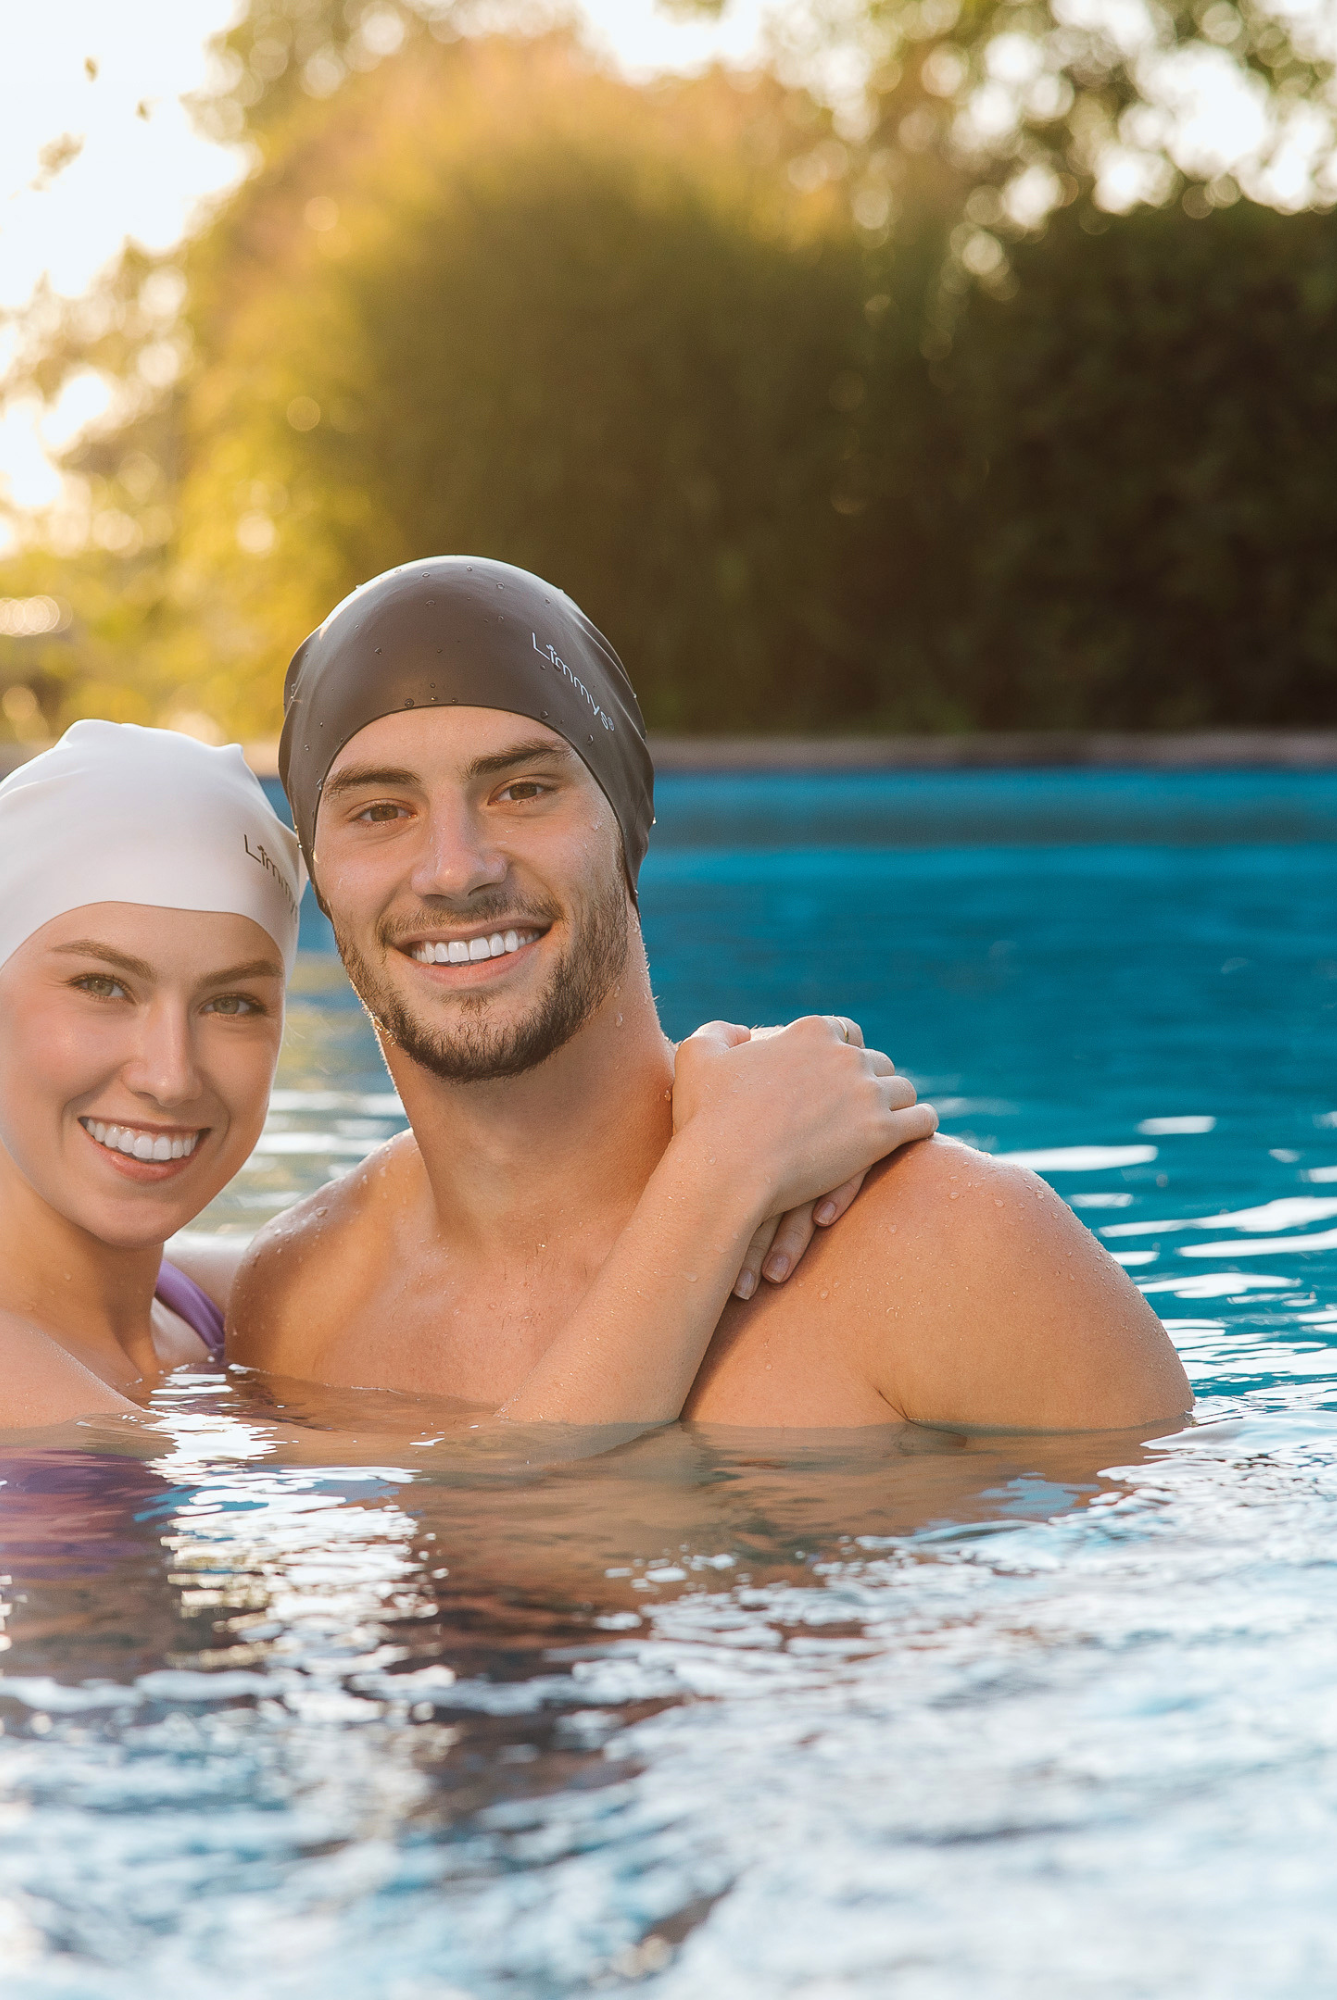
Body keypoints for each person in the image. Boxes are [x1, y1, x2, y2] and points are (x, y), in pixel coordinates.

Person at [228, 557, 1192, 1431]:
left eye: (522, 790)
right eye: (380, 811)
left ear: (629, 823)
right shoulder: (296, 1307)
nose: (455, 870)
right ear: (320, 871)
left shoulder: (952, 1250)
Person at [0, 718, 924, 1438]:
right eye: (103, 988)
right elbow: (527, 1512)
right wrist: (719, 1174)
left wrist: (713, 1085)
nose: (169, 1072)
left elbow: (459, 1218)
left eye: (231, 1000)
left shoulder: (205, 1310)